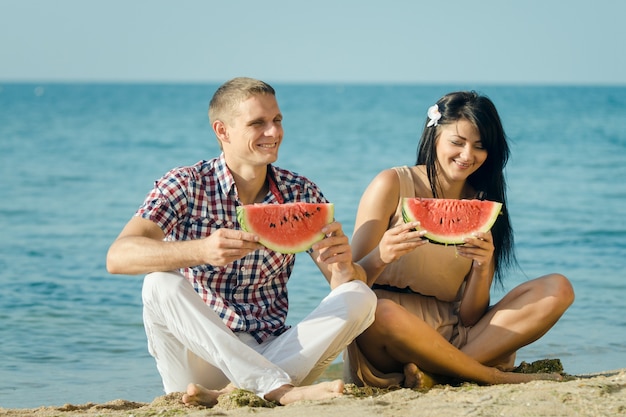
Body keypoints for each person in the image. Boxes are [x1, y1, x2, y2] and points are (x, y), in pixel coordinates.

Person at [106, 77, 376, 407]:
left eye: (277, 121)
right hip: (199, 355)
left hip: (273, 351)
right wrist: (201, 250)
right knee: (159, 283)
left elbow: (338, 284)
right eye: (257, 123)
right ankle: (276, 389)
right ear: (223, 131)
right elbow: (118, 256)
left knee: (360, 296)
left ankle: (233, 393)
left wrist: (344, 267)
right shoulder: (185, 185)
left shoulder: (300, 193)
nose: (274, 133)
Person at [345, 91, 575, 389]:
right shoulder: (391, 183)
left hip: (455, 334)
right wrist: (381, 256)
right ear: (435, 137)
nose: (468, 156)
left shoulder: (485, 204)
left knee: (558, 288)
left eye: (479, 147)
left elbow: (470, 318)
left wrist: (482, 266)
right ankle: (491, 376)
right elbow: (348, 287)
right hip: (387, 335)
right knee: (380, 310)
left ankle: (439, 375)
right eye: (457, 142)